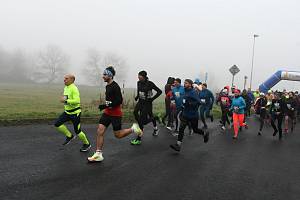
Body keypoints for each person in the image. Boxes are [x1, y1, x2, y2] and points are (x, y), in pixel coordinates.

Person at [87, 67, 143, 162]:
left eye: (105, 75)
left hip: (115, 114)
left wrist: (105, 105)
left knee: (118, 135)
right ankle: (98, 154)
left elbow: (119, 101)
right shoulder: (108, 86)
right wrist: (105, 106)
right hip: (107, 113)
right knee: (100, 131)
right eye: (103, 74)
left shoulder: (115, 86)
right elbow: (110, 101)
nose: (103, 76)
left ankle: (133, 128)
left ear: (110, 75)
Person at [54, 74, 91, 152]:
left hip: (75, 113)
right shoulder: (66, 88)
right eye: (64, 78)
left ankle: (87, 144)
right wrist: (63, 99)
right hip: (67, 112)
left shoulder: (74, 89)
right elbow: (66, 97)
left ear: (72, 80)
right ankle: (69, 136)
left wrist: (66, 101)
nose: (64, 80)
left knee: (78, 131)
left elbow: (77, 101)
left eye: (66, 79)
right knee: (57, 124)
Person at [170, 79, 209, 152]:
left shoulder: (193, 92)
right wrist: (181, 104)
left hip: (193, 115)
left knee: (195, 130)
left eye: (186, 83)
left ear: (190, 84)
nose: (184, 84)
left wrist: (190, 104)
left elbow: (199, 102)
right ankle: (178, 145)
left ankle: (205, 133)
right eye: (184, 83)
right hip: (185, 114)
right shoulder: (184, 91)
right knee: (181, 129)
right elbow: (183, 99)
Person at [131, 70, 162, 145]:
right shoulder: (138, 82)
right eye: (138, 76)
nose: (138, 78)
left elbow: (159, 91)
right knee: (135, 112)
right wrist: (137, 96)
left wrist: (152, 99)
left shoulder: (150, 84)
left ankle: (138, 139)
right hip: (140, 102)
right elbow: (139, 90)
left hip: (147, 103)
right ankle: (154, 120)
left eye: (140, 77)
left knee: (143, 120)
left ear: (144, 77)